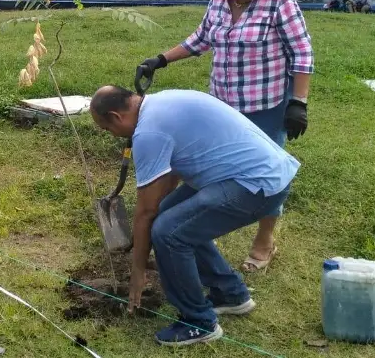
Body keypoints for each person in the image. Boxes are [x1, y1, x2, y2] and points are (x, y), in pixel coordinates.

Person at [138, 0, 313, 274]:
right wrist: (161, 59)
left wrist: (298, 103)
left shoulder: (279, 1)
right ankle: (202, 227)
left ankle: (264, 240)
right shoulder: (220, 0)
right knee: (213, 168)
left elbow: (302, 54)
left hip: (266, 105)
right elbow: (201, 39)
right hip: (222, 106)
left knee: (265, 175)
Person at [90, 87, 299, 346]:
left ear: (116, 116)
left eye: (107, 129)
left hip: (256, 186)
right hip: (264, 171)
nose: (112, 135)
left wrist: (138, 270)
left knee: (168, 232)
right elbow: (169, 179)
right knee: (172, 217)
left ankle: (198, 322)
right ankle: (229, 294)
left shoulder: (148, 133)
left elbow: (146, 212)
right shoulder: (162, 102)